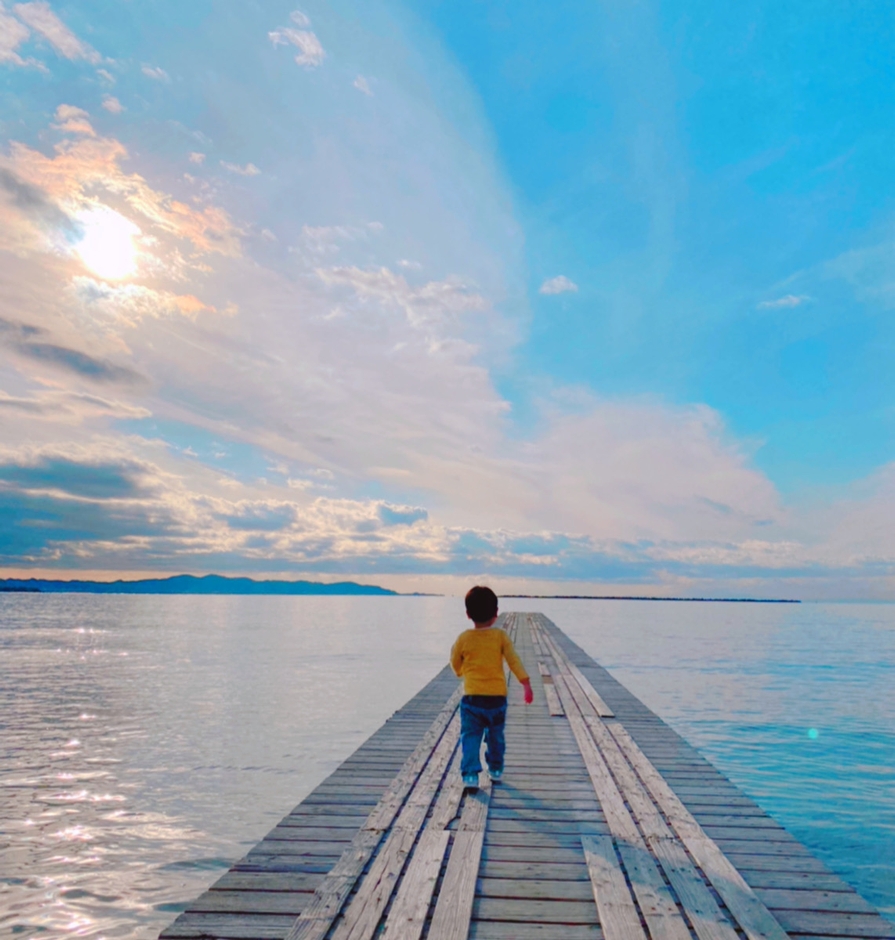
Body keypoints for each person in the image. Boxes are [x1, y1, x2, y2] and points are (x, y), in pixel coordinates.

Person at [450, 585, 533, 788]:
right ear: (496, 614)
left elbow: (454, 660)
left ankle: (470, 775)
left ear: (468, 614)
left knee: (470, 736)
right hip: (496, 699)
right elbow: (513, 660)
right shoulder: (500, 637)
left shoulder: (464, 638)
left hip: (472, 699)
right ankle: (495, 768)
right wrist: (525, 682)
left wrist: (460, 672)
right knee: (496, 736)